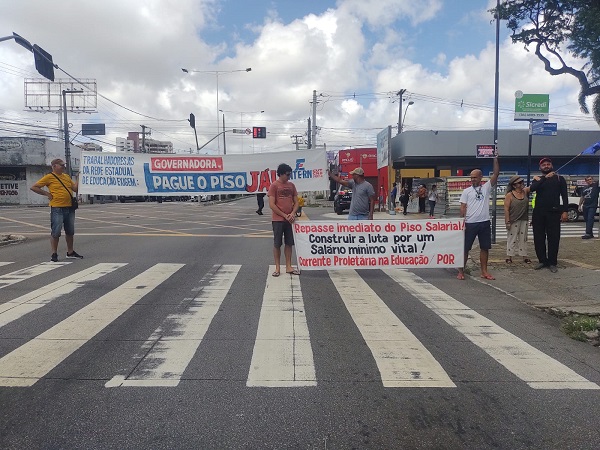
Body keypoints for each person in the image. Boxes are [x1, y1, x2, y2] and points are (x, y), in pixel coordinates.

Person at [30, 158, 83, 262]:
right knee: (56, 232)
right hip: (57, 208)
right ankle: (54, 253)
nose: (63, 167)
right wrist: (47, 194)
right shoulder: (49, 177)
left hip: (69, 207)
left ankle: (70, 252)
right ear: (54, 166)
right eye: (61, 165)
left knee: (70, 231)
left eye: (63, 165)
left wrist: (78, 178)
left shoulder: (67, 177)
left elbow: (75, 189)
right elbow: (34, 187)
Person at [457, 152, 500, 280]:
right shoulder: (466, 191)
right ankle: (461, 271)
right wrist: (462, 222)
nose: (473, 180)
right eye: (471, 178)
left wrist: (495, 159)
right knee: (465, 248)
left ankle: (484, 272)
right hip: (470, 223)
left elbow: (496, 174)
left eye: (475, 177)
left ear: (481, 177)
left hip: (484, 222)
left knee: (484, 248)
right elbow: (463, 207)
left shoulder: (486, 187)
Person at [530, 157, 568, 273]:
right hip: (539, 213)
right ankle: (542, 260)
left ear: (551, 165)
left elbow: (564, 196)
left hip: (554, 213)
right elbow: (532, 189)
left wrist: (565, 211)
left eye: (548, 164)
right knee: (539, 238)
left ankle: (552, 262)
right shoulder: (537, 179)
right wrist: (543, 179)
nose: (546, 166)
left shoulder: (559, 179)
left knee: (554, 238)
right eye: (543, 165)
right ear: (540, 168)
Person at [268, 163, 299, 277]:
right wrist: (284, 215)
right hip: (278, 219)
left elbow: (296, 202)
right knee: (277, 243)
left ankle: (288, 266)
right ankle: (277, 267)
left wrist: (292, 213)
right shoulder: (274, 186)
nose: (289, 176)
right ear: (281, 174)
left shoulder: (291, 185)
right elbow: (272, 204)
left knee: (289, 243)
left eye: (290, 174)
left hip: (290, 219)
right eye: (287, 174)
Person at [503, 175, 531, 264]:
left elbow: (534, 186)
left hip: (524, 218)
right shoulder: (510, 195)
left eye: (522, 182)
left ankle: (524, 256)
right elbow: (506, 209)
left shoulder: (525, 191)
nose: (521, 184)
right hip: (513, 219)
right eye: (519, 183)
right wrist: (507, 221)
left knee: (523, 238)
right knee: (512, 238)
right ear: (514, 185)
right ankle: (509, 256)